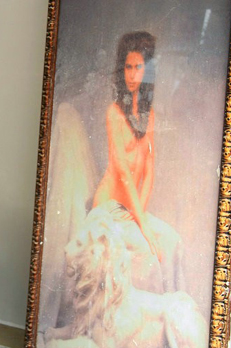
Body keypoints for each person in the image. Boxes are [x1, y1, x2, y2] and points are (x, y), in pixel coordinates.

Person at [91, 31, 181, 293]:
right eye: (127, 67)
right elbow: (123, 172)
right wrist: (141, 223)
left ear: (147, 70)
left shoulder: (149, 116)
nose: (131, 75)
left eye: (138, 67)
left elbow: (149, 170)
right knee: (148, 252)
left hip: (132, 210)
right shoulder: (114, 113)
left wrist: (139, 215)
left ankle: (174, 305)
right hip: (109, 209)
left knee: (171, 241)